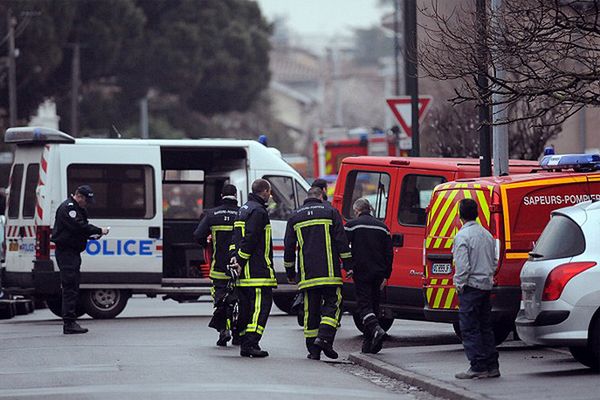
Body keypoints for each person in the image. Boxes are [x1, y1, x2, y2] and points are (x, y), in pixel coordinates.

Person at [283, 186, 354, 360]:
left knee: (310, 310)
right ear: (321, 196)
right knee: (334, 304)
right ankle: (324, 338)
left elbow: (289, 247)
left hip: (308, 274)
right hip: (329, 272)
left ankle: (313, 350)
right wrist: (348, 264)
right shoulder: (330, 212)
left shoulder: (295, 216)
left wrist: (290, 272)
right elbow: (341, 241)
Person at [452, 198, 500, 379]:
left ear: (460, 215)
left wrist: (459, 284)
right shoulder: (486, 235)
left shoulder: (462, 236)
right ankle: (492, 365)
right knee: (485, 327)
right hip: (486, 286)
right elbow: (494, 261)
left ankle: (478, 366)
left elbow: (463, 266)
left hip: (471, 287)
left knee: (470, 327)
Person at [51, 185, 109, 334]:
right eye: (86, 200)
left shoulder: (76, 208)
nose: (87, 204)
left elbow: (79, 230)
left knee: (73, 286)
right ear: (80, 197)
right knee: (70, 287)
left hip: (72, 252)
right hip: (67, 252)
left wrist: (92, 235)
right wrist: (98, 230)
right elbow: (79, 226)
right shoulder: (68, 208)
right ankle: (69, 323)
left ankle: (70, 322)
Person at [229, 179, 277, 358]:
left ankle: (244, 339)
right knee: (261, 307)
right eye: (269, 192)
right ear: (264, 191)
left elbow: (235, 239)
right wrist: (241, 260)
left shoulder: (243, 209)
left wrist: (235, 259)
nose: (270, 195)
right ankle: (251, 343)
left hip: (243, 272)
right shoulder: (259, 211)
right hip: (256, 271)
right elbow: (251, 238)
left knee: (247, 308)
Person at [193, 184, 240, 347]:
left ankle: (223, 331)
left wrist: (207, 242)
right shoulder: (243, 213)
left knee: (221, 299)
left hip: (219, 267)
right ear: (236, 195)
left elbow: (198, 235)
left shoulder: (212, 214)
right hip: (240, 267)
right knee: (239, 299)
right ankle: (238, 334)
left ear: (221, 195)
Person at [344, 198, 393, 354]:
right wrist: (387, 275)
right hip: (378, 272)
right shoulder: (383, 228)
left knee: (364, 306)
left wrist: (348, 266)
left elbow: (343, 248)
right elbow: (389, 254)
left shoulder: (352, 226)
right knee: (374, 306)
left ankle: (377, 330)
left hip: (361, 271)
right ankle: (369, 345)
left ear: (357, 210)